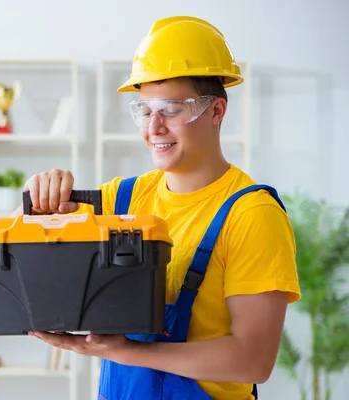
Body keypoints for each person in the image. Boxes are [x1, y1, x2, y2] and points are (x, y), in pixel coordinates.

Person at [21, 15, 302, 400]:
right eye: (144, 110)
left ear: (216, 111)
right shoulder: (120, 200)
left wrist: (128, 352)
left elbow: (253, 360)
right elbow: (38, 249)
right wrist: (40, 194)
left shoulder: (251, 214)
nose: (153, 127)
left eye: (171, 110)